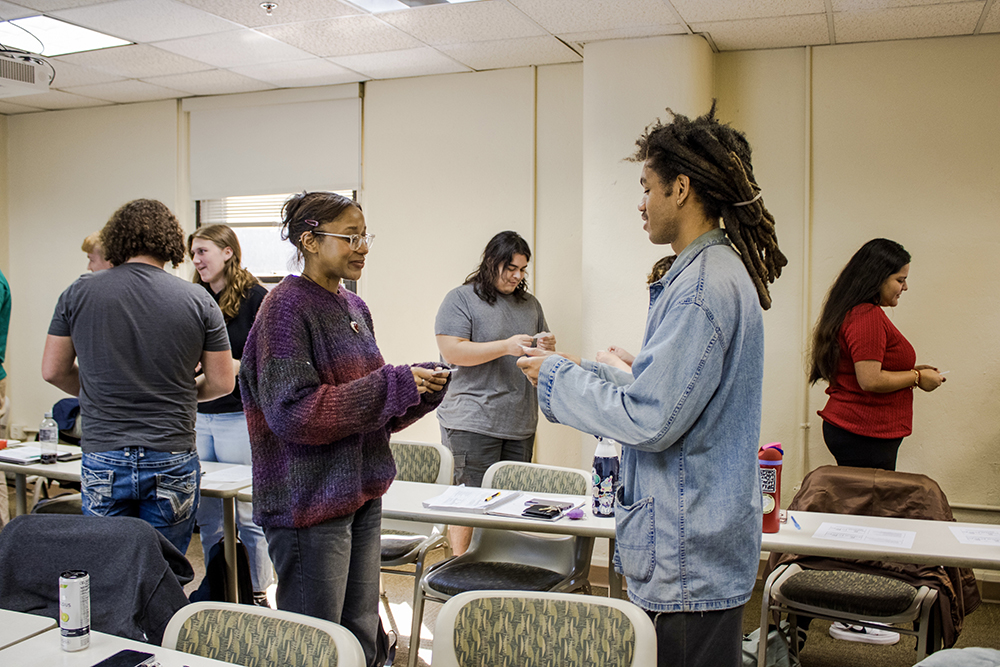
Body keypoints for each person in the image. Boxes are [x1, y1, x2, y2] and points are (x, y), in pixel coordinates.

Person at [517, 106, 786, 667]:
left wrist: (558, 380)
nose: (640, 203)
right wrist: (577, 370)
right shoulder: (706, 272)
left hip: (690, 553)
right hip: (697, 541)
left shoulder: (700, 288)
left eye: (646, 188)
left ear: (681, 189)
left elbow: (650, 419)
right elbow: (667, 395)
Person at [240, 191, 448, 666]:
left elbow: (364, 413)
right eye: (350, 237)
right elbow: (294, 414)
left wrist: (417, 390)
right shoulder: (285, 309)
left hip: (359, 496)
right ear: (309, 240)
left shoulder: (354, 307)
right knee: (318, 640)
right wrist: (392, 384)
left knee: (358, 631)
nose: (362, 246)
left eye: (364, 236)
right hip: (310, 502)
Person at [42, 199, 234, 554]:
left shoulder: (78, 293)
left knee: (107, 569)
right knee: (165, 572)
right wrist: (175, 394)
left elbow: (52, 370)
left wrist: (98, 392)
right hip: (170, 452)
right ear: (170, 242)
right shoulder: (198, 299)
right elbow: (223, 383)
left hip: (104, 452)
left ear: (118, 240)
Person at [434, 230, 554, 554]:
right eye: (510, 268)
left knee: (510, 504)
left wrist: (545, 348)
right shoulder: (460, 299)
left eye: (523, 269)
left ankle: (497, 577)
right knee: (468, 503)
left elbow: (534, 355)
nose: (517, 276)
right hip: (472, 419)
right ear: (491, 262)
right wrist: (505, 346)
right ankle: (459, 577)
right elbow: (453, 352)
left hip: (518, 422)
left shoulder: (530, 304)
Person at [188, 224, 273, 606]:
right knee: (207, 515)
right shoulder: (194, 296)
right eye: (193, 253)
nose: (196, 260)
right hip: (199, 413)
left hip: (239, 416)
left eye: (203, 251)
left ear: (227, 252)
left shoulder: (258, 298)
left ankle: (255, 592)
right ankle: (221, 591)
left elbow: (265, 362)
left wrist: (222, 367)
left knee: (248, 513)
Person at [809, 238, 945, 471]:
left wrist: (915, 371)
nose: (905, 287)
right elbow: (871, 379)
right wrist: (917, 378)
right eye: (900, 280)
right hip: (864, 432)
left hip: (861, 431)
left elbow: (871, 369)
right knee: (870, 504)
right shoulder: (867, 317)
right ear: (877, 278)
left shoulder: (857, 312)